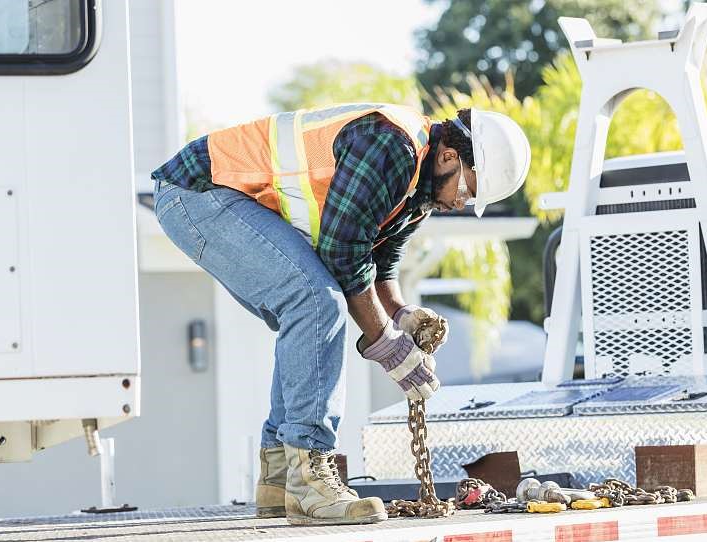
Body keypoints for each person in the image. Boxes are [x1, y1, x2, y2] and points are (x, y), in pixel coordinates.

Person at [151, 103, 530, 526]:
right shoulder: (393, 146)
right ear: (449, 157)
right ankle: (310, 479)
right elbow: (343, 254)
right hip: (199, 193)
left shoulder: (419, 190)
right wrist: (388, 345)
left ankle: (279, 476)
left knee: (308, 309)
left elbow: (379, 262)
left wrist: (403, 314)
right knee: (315, 301)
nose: (461, 202)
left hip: (218, 198)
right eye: (467, 190)